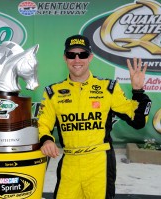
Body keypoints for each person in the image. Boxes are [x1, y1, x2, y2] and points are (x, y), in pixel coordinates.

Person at [38, 34, 152, 199]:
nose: (77, 60)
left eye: (82, 55)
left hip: (100, 163)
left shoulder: (108, 88)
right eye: (71, 55)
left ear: (90, 57)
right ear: (65, 58)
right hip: (70, 162)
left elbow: (138, 121)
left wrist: (138, 91)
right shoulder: (52, 92)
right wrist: (46, 140)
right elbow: (43, 124)